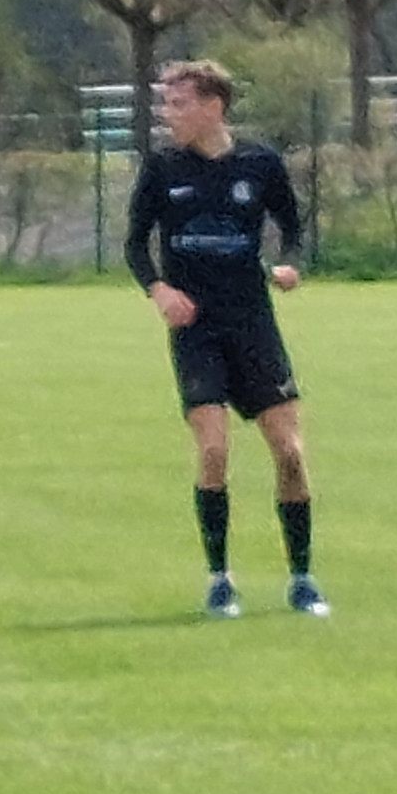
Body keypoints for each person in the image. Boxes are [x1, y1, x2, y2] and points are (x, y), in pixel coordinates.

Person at [125, 59, 322, 618]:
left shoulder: (260, 163)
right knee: (213, 451)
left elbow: (295, 230)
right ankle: (220, 579)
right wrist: (159, 290)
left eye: (179, 103)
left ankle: (302, 578)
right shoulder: (162, 168)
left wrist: (289, 265)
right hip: (197, 332)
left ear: (214, 106)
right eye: (167, 103)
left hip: (253, 325)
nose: (169, 114)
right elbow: (136, 245)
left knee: (289, 453)